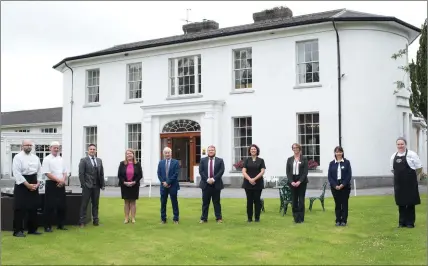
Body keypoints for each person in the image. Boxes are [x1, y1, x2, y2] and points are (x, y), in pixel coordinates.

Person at [12, 139, 43, 237]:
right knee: (20, 208)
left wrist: (38, 183)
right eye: (26, 145)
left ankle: (32, 229)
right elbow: (16, 173)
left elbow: (39, 171)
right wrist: (27, 184)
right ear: (22, 146)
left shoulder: (36, 158)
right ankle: (18, 231)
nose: (29, 146)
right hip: (22, 184)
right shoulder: (17, 157)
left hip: (34, 182)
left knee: (33, 208)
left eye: (30, 145)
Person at [390, 137, 423, 228]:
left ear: (405, 144)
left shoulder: (412, 155)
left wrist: (411, 177)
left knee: (410, 203)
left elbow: (419, 168)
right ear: (396, 145)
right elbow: (393, 170)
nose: (400, 146)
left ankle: (410, 223)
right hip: (399, 184)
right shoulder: (393, 156)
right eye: (398, 144)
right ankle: (401, 222)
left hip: (410, 183)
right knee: (401, 203)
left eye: (402, 144)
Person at [42, 141, 68, 232]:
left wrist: (63, 181)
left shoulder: (61, 159)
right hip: (51, 183)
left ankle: (61, 225)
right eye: (54, 147)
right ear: (50, 148)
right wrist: (58, 180)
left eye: (58, 148)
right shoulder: (46, 159)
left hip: (61, 184)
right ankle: (47, 226)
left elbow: (65, 172)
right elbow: (47, 173)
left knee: (62, 205)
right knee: (49, 205)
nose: (56, 149)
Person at [78, 144, 105, 228]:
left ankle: (96, 221)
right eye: (91, 149)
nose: (92, 150)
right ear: (88, 151)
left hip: (96, 186)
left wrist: (102, 184)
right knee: (84, 204)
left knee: (96, 204)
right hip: (87, 186)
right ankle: (82, 222)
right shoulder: (83, 160)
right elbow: (81, 174)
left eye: (94, 149)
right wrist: (83, 185)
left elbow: (101, 174)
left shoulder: (99, 160)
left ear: (96, 150)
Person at [198, 145, 225, 223]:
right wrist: (207, 179)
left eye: (212, 150)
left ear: (215, 151)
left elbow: (221, 171)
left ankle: (219, 218)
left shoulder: (220, 160)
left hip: (216, 184)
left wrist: (213, 179)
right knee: (205, 202)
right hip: (205, 184)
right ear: (207, 151)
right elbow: (201, 171)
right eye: (209, 150)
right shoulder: (203, 160)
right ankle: (203, 218)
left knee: (216, 202)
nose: (211, 151)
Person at [327, 146, 352, 226]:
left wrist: (343, 184)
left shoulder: (347, 162)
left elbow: (349, 175)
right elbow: (329, 176)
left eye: (340, 152)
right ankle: (338, 220)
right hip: (335, 187)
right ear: (335, 153)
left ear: (342, 153)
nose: (338, 153)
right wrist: (335, 185)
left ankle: (344, 220)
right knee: (337, 203)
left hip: (345, 187)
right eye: (337, 152)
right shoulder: (331, 163)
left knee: (344, 203)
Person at [117, 149, 143, 224]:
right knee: (126, 202)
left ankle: (133, 218)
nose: (129, 155)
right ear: (126, 155)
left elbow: (140, 175)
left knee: (133, 202)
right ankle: (126, 218)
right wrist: (124, 182)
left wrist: (134, 182)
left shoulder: (137, 164)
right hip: (124, 185)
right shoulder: (122, 163)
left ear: (133, 154)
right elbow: (119, 175)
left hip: (134, 185)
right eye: (127, 154)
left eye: (130, 153)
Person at [242, 144, 266, 223]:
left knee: (257, 201)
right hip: (248, 183)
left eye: (254, 149)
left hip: (258, 183)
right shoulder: (246, 160)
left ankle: (257, 218)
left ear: (257, 151)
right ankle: (249, 218)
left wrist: (254, 179)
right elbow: (244, 171)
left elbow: (262, 171)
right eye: (251, 149)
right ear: (249, 151)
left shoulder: (261, 160)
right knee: (249, 201)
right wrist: (250, 179)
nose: (253, 150)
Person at [286, 143, 308, 223]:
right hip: (292, 181)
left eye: (297, 147)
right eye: (294, 148)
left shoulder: (304, 159)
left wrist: (299, 181)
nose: (295, 149)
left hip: (302, 181)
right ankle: (295, 218)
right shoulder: (289, 159)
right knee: (294, 200)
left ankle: (301, 218)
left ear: (299, 149)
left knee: (301, 200)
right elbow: (288, 172)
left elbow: (305, 172)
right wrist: (291, 181)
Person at [157, 147, 180, 224]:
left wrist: (168, 182)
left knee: (174, 202)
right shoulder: (161, 162)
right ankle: (163, 219)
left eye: (168, 152)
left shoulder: (176, 162)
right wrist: (163, 182)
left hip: (173, 185)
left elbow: (176, 174)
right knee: (163, 203)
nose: (167, 154)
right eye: (166, 153)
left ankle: (176, 219)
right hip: (163, 186)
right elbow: (159, 174)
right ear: (163, 154)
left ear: (171, 153)